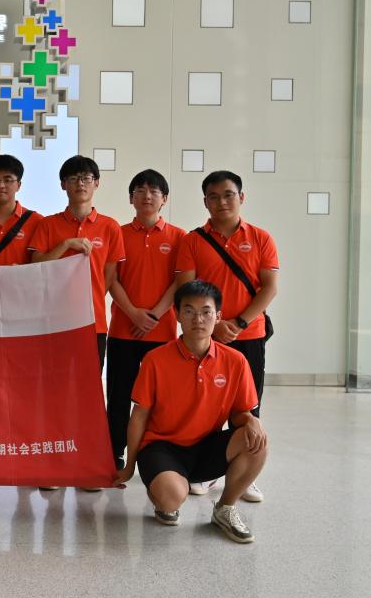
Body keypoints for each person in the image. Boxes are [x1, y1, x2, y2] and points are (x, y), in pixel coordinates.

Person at [111, 280, 267, 543]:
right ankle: (164, 494)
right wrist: (128, 466)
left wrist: (252, 420)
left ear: (218, 316)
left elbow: (239, 413)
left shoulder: (235, 361)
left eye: (206, 312)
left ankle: (225, 508)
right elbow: (139, 416)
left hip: (206, 446)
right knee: (171, 496)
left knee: (257, 442)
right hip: (162, 447)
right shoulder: (155, 360)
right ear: (177, 315)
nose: (198, 319)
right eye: (189, 311)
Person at [175, 170, 278, 503]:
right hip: (206, 337)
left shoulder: (261, 238)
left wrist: (240, 323)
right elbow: (186, 290)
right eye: (214, 197)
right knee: (206, 405)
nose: (222, 202)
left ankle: (245, 475)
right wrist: (215, 325)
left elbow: (269, 288)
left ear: (241, 197)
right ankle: (207, 471)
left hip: (250, 335)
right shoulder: (192, 241)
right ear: (205, 202)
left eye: (228, 195)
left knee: (249, 405)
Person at [29, 155, 125, 491]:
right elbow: (36, 265)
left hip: (92, 324)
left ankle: (86, 463)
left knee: (88, 395)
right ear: (63, 185)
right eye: (73, 178)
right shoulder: (48, 225)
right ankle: (54, 463)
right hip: (53, 324)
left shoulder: (110, 227)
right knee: (54, 393)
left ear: (96, 183)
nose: (80, 183)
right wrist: (66, 244)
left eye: (86, 178)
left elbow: (109, 276)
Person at [105, 170, 185, 470]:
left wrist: (153, 316)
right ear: (131, 198)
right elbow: (111, 279)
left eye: (154, 191)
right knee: (119, 396)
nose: (147, 196)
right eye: (140, 190)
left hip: (162, 333)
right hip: (123, 330)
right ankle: (114, 452)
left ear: (165, 199)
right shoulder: (118, 233)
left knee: (160, 399)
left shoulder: (179, 237)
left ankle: (158, 455)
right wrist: (133, 313)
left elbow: (179, 282)